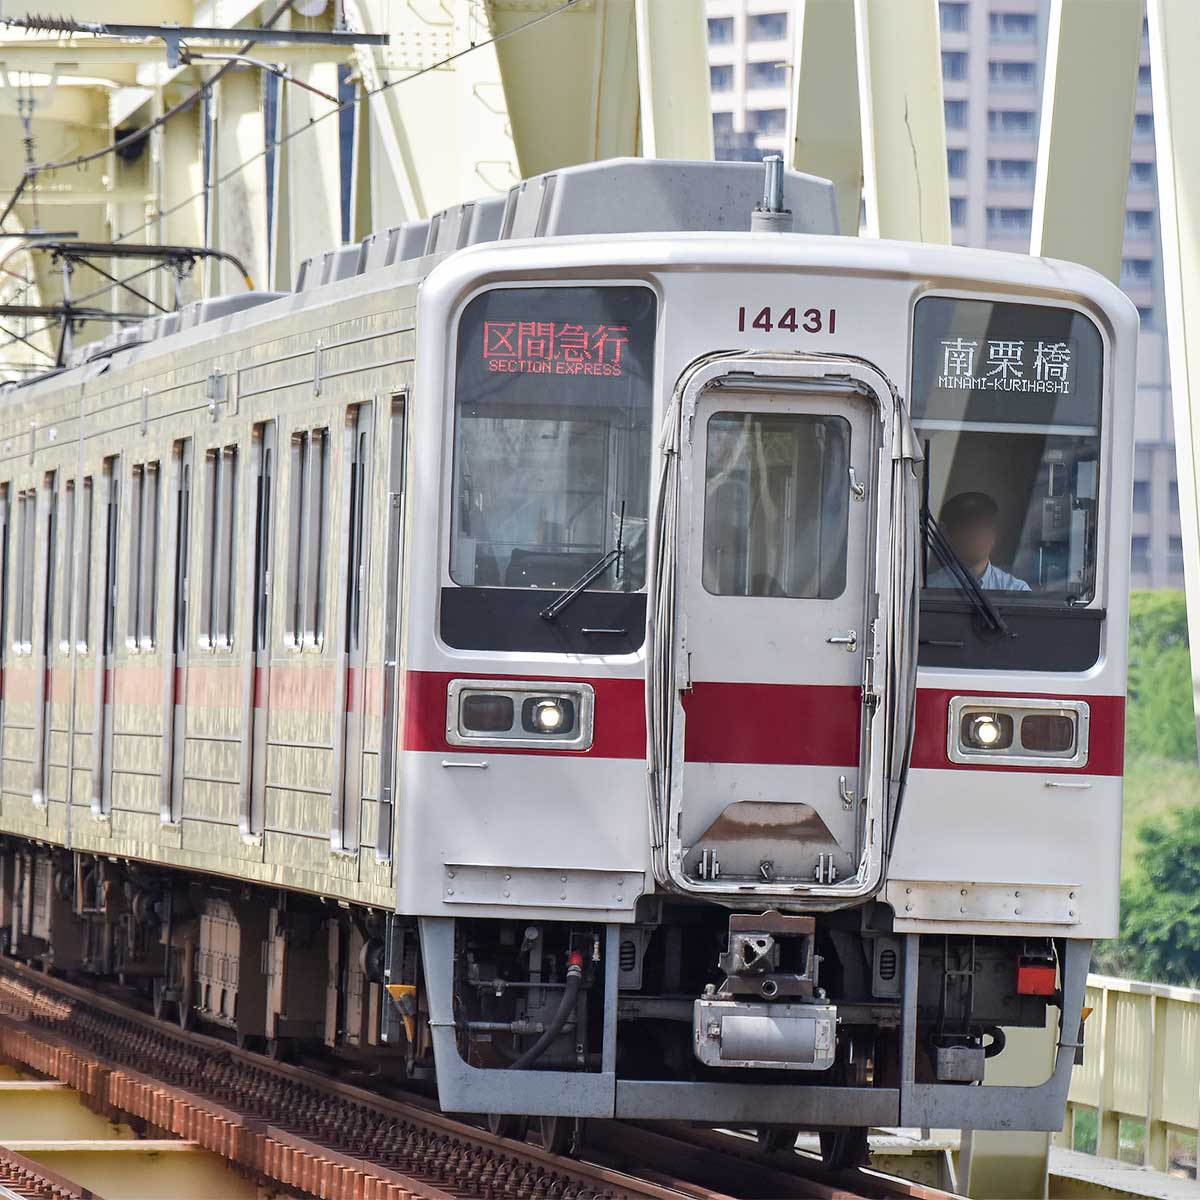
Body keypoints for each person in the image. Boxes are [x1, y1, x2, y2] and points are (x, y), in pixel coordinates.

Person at [927, 491, 1031, 592]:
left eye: (984, 526)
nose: (977, 534)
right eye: (967, 526)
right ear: (949, 534)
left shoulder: (1016, 590)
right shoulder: (929, 588)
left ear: (994, 534)